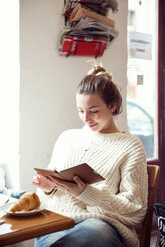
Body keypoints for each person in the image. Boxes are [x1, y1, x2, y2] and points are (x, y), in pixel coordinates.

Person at [32, 62, 148, 247]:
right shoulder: (67, 138)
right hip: (57, 223)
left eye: (93, 111)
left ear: (112, 106)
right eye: (80, 111)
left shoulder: (130, 146)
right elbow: (46, 199)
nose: (86, 118)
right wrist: (48, 187)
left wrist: (87, 193)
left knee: (92, 234)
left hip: (99, 227)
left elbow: (136, 211)